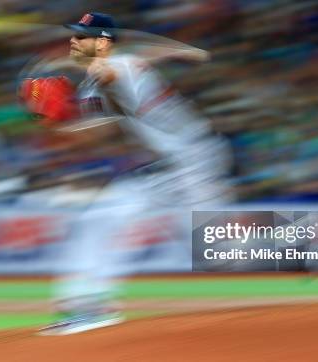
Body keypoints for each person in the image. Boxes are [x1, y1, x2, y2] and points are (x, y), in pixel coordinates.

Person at [37, 12, 231, 335]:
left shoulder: (118, 66)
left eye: (82, 36)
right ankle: (89, 308)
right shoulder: (90, 88)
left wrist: (59, 66)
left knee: (216, 255)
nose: (73, 40)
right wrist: (54, 118)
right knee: (98, 222)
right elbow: (95, 136)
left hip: (194, 163)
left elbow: (109, 69)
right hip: (157, 173)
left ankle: (296, 241)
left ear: (102, 43)